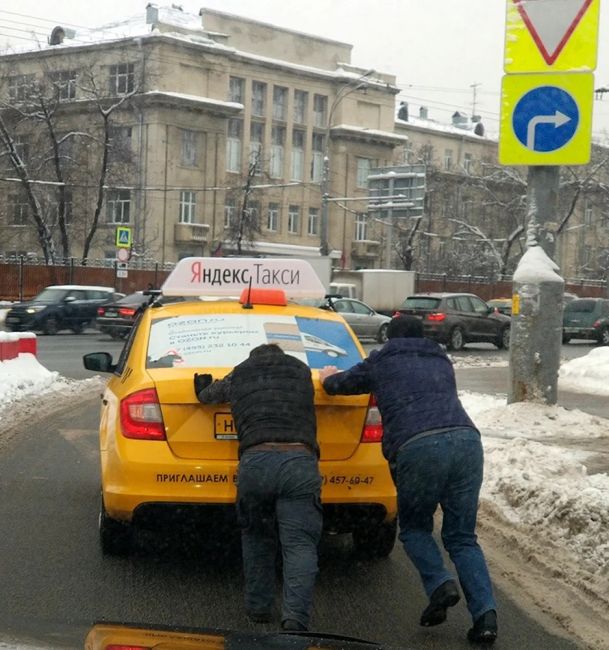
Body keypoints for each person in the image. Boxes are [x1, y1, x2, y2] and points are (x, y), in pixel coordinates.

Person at [318, 315, 498, 645]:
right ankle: (485, 617)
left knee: (415, 528)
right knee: (461, 537)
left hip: (419, 446)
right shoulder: (441, 360)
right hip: (468, 442)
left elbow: (340, 386)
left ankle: (440, 584)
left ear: (391, 339)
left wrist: (327, 376)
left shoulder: (382, 361)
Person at [194, 343, 322, 633]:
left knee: (256, 536)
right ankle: (296, 618)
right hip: (299, 461)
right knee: (300, 543)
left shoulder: (241, 373)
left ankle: (259, 608)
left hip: (256, 462)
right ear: (282, 356)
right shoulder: (301, 371)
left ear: (253, 358)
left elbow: (209, 396)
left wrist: (202, 385)